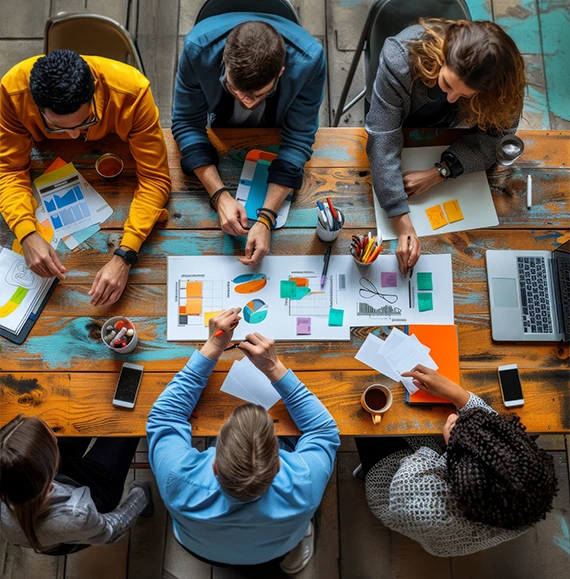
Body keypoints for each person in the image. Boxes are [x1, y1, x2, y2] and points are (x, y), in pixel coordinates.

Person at [147, 308, 339, 574]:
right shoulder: (304, 482)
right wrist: (273, 367)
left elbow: (165, 417)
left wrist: (213, 345)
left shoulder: (178, 479)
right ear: (279, 463)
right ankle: (296, 538)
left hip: (198, 547)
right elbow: (323, 431)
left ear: (214, 464)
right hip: (275, 549)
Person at [0, 50, 172, 306]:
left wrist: (125, 254)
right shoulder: (12, 92)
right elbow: (9, 170)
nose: (71, 137)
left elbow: (156, 179)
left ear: (94, 94)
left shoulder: (134, 92)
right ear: (36, 106)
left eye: (85, 122)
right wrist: (26, 233)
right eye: (57, 128)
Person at [366, 19, 525, 275]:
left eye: (465, 95)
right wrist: (402, 222)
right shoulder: (400, 59)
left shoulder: (500, 80)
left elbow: (500, 135)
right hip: (397, 122)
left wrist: (441, 171)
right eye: (447, 85)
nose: (451, 98)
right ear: (442, 57)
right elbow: (383, 136)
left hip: (445, 139)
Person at [353, 366, 557, 557]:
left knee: (369, 427)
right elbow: (497, 441)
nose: (453, 417)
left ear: (456, 470)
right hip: (461, 507)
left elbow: (418, 461)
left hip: (394, 487)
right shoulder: (533, 488)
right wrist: (459, 395)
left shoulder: (414, 497)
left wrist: (451, 443)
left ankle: (366, 470)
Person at [172, 14, 326, 266]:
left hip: (275, 130)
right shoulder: (197, 50)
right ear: (225, 61)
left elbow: (299, 137)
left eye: (260, 94)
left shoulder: (309, 61)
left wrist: (266, 218)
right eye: (235, 89)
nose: (247, 102)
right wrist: (219, 195)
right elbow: (187, 123)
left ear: (281, 71)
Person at [0, 415, 152, 554]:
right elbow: (112, 531)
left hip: (50, 489)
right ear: (52, 462)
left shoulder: (9, 472)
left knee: (80, 418)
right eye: (52, 440)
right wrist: (140, 494)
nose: (54, 439)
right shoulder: (77, 515)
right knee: (128, 424)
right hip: (95, 497)